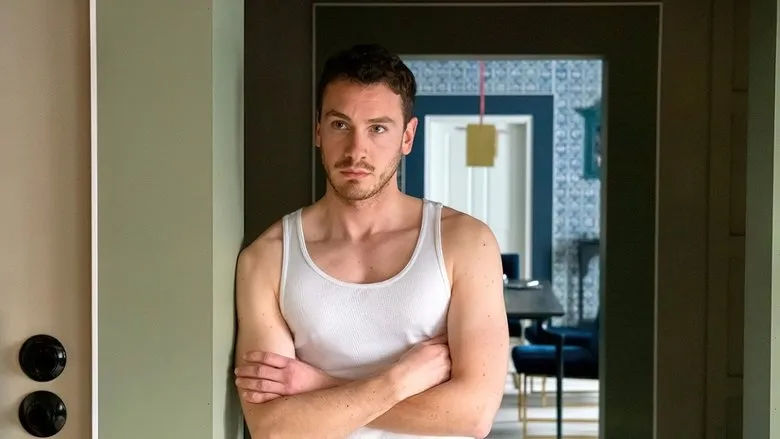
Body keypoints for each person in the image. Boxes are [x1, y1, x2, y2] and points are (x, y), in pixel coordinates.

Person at [233, 44, 509, 439]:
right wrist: (396, 382)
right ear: (317, 130)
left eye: (378, 128)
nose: (356, 150)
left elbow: (473, 414)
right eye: (340, 125)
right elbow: (273, 428)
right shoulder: (267, 258)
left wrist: (318, 384)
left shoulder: (466, 243)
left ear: (407, 137)